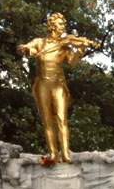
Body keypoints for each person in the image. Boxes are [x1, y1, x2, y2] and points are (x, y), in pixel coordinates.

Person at [18, 13, 99, 163]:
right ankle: (53, 153)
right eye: (61, 24)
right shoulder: (40, 42)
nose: (63, 27)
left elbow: (72, 62)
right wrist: (25, 48)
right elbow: (28, 49)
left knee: (62, 119)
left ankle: (66, 153)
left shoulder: (65, 45)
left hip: (58, 85)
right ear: (52, 25)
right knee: (47, 120)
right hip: (43, 84)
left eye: (63, 24)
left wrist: (81, 49)